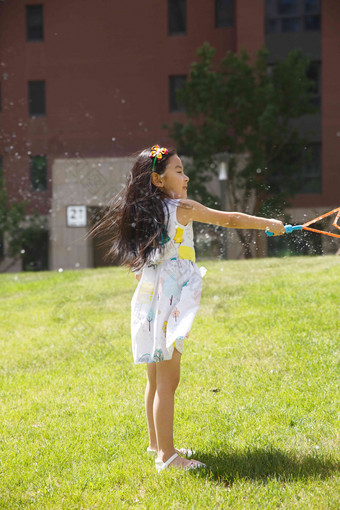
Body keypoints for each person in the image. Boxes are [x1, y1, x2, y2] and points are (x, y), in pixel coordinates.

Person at [89, 145, 285, 472]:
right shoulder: (181, 206)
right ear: (157, 179)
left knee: (155, 376)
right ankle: (168, 457)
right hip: (170, 300)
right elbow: (231, 219)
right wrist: (268, 222)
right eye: (178, 170)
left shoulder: (148, 213)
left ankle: (157, 444)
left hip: (152, 298)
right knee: (168, 379)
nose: (186, 176)